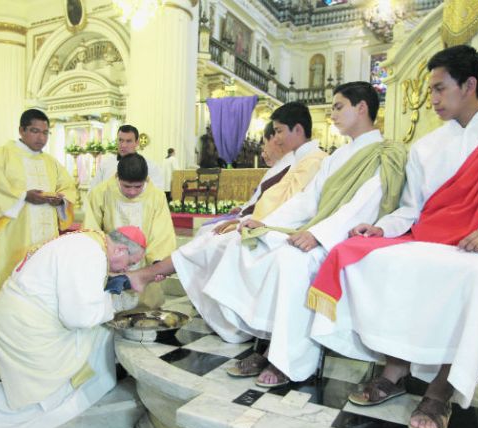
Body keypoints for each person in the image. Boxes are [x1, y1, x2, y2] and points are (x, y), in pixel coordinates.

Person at [127, 82, 407, 388]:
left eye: (339, 107)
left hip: (345, 236)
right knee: (249, 244)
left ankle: (291, 360)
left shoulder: (385, 152)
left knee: (290, 260)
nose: (333, 115)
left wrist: (318, 235)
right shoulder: (338, 156)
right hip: (313, 228)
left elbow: (363, 206)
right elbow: (308, 200)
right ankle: (261, 335)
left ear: (362, 107)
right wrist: (266, 223)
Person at [308, 45, 478, 428]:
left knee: (471, 277)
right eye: (431, 90)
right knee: (368, 257)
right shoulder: (426, 146)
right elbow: (412, 210)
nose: (434, 99)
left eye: (441, 89)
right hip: (429, 237)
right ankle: (395, 369)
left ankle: (440, 389)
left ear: (470, 84)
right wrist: (382, 228)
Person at [0, 227, 147, 428]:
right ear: (119, 249)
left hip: (20, 316)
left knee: (96, 334)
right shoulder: (90, 252)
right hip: (27, 327)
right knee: (100, 333)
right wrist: (112, 305)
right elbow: (79, 318)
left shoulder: (84, 241)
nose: (128, 268)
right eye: (131, 262)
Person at [0, 108, 78, 306]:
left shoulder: (51, 162)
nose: (41, 137)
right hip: (15, 236)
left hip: (46, 237)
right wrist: (24, 196)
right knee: (11, 281)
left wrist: (60, 200)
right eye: (35, 131)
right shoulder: (1, 155)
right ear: (21, 130)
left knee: (44, 283)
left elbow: (68, 187)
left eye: (45, 132)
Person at [198, 108, 326, 239]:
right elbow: (273, 198)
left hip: (278, 228)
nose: (276, 138)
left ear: (298, 130)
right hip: (264, 222)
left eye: (279, 131)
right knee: (208, 238)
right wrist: (244, 217)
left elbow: (291, 204)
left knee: (213, 239)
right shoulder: (300, 159)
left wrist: (247, 221)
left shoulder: (313, 160)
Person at [83, 153, 176, 310]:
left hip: (143, 265)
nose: (132, 192)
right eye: (127, 186)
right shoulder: (101, 193)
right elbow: (91, 230)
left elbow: (162, 232)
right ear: (118, 177)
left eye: (138, 187)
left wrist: (158, 263)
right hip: (110, 265)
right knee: (109, 313)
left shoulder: (156, 197)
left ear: (145, 179)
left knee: (142, 317)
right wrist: (106, 256)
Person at [89, 124, 165, 190]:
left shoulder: (150, 166)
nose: (123, 145)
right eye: (120, 140)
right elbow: (93, 190)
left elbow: (157, 192)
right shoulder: (106, 164)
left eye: (128, 141)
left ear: (137, 142)